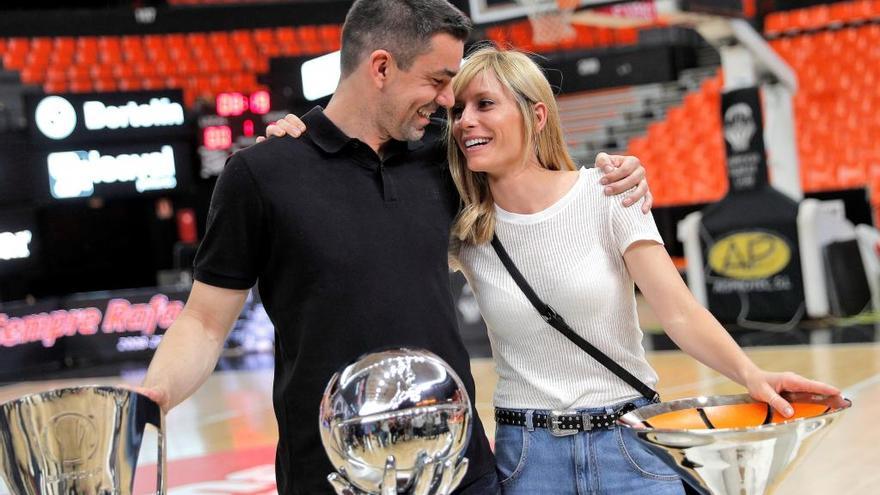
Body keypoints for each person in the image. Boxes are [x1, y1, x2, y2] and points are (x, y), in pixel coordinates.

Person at [136, 1, 652, 494]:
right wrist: (152, 398)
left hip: (460, 472)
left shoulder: (445, 159)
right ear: (381, 67)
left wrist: (617, 174)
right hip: (334, 476)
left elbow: (538, 182)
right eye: (437, 80)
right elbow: (204, 322)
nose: (449, 100)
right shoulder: (261, 174)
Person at [441, 45, 840, 494]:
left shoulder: (608, 193)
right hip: (531, 457)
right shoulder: (465, 229)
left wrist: (752, 375)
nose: (464, 122)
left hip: (629, 443)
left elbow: (680, 313)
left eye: (484, 104)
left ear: (536, 117)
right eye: (457, 111)